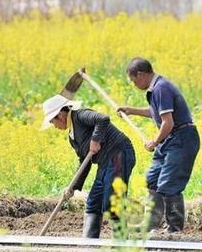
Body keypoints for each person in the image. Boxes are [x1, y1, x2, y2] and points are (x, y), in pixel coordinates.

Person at [117, 57, 200, 233]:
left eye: (133, 80)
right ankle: (150, 224)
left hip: (181, 139)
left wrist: (154, 141)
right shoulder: (157, 89)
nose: (134, 84)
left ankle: (174, 228)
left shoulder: (161, 88)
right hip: (170, 140)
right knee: (152, 180)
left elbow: (167, 123)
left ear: (141, 75)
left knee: (169, 184)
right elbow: (155, 112)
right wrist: (131, 110)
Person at [41, 94, 136, 238]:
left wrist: (95, 140)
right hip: (105, 162)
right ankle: (89, 242)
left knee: (112, 202)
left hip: (119, 154)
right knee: (93, 203)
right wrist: (72, 187)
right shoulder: (72, 138)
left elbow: (102, 119)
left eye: (53, 121)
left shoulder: (80, 116)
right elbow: (84, 162)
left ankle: (121, 242)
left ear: (60, 115)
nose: (54, 126)